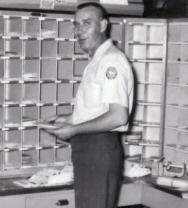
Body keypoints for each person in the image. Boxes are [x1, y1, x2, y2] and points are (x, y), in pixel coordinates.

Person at [44, 2, 134, 208]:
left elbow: (118, 116)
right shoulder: (97, 60)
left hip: (98, 149)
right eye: (76, 25)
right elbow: (100, 109)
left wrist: (74, 129)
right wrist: (70, 118)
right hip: (89, 150)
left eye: (87, 23)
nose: (79, 31)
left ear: (102, 26)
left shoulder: (111, 61)